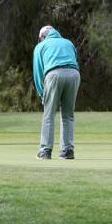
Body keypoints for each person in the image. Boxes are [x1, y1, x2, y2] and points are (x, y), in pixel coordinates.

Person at [32, 25, 80, 160]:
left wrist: (42, 93)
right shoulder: (68, 42)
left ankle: (45, 151)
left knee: (49, 114)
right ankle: (67, 151)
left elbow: (38, 72)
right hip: (74, 74)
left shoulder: (40, 46)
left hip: (53, 74)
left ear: (42, 36)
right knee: (68, 115)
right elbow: (76, 62)